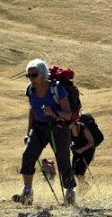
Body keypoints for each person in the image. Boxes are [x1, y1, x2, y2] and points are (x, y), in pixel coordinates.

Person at [18, 59, 77, 205]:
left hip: (58, 128)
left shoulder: (57, 89)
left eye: (34, 75)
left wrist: (53, 113)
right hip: (39, 128)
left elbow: (68, 115)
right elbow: (32, 110)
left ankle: (70, 191)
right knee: (28, 155)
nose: (31, 78)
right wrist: (29, 132)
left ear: (43, 74)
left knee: (63, 160)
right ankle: (27, 191)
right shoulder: (30, 90)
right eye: (28, 75)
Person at [71, 114, 96, 187]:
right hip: (77, 151)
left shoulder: (83, 128)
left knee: (80, 171)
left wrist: (82, 149)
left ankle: (84, 187)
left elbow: (91, 142)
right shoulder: (68, 130)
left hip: (88, 152)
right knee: (75, 171)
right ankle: (84, 187)